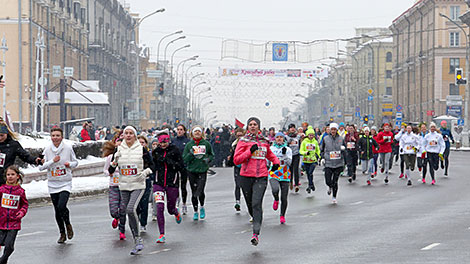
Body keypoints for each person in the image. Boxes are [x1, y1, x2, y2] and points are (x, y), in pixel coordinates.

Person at [108, 126, 154, 255]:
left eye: (131, 134)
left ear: (135, 136)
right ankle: (136, 240)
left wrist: (144, 173)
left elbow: (152, 166)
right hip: (123, 185)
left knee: (130, 209)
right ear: (123, 135)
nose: (128, 136)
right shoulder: (118, 149)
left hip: (138, 185)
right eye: (126, 133)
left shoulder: (141, 149)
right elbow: (111, 171)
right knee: (127, 212)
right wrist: (114, 161)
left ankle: (138, 239)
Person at [234, 117, 279, 246]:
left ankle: (256, 234)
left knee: (256, 203)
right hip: (246, 176)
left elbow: (269, 154)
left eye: (255, 125)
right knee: (250, 204)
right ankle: (255, 218)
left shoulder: (264, 142)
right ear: (247, 127)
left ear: (258, 127)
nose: (253, 126)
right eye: (250, 124)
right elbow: (236, 160)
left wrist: (275, 163)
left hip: (261, 176)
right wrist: (249, 151)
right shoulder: (243, 141)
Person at [39, 127, 78, 243]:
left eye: (57, 136)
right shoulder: (47, 150)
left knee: (62, 206)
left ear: (62, 137)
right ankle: (62, 233)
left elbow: (75, 162)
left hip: (65, 182)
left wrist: (69, 164)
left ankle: (68, 224)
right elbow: (41, 167)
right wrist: (52, 161)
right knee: (57, 210)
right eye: (53, 136)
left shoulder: (68, 148)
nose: (55, 138)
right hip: (52, 183)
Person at [152, 133, 184, 243]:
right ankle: (162, 234)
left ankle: (175, 212)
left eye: (165, 142)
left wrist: (170, 162)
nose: (163, 144)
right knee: (159, 207)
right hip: (158, 183)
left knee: (170, 209)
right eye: (161, 142)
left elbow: (181, 166)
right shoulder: (156, 152)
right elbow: (152, 165)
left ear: (168, 141)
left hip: (172, 183)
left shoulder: (175, 150)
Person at [183, 126, 214, 221]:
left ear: (202, 133)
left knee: (200, 190)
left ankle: (202, 207)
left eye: (199, 131)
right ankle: (195, 211)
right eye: (195, 131)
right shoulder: (189, 145)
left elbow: (211, 155)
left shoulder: (206, 144)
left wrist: (208, 159)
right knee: (194, 191)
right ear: (192, 133)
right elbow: (184, 158)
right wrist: (190, 154)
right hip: (192, 170)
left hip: (202, 170)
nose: (197, 133)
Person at [0, 166, 28, 264]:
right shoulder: (2, 189)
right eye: (8, 175)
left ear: (17, 176)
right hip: (1, 222)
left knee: (9, 247)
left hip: (14, 223)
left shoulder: (20, 192)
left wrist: (21, 212)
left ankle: (2, 260)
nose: (10, 177)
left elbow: (24, 204)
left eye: (12, 174)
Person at [0, 121, 42, 186]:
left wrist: (35, 160)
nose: (0, 138)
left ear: (7, 133)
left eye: (2, 135)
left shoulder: (13, 145)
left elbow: (25, 156)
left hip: (7, 180)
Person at [103, 138, 126, 239]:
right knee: (113, 209)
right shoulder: (110, 157)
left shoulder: (127, 157)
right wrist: (110, 173)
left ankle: (122, 230)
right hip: (113, 186)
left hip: (124, 186)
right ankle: (116, 218)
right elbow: (105, 170)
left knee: (123, 209)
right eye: (118, 144)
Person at [268, 132, 292, 224]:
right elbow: (267, 160)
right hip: (273, 172)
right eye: (277, 137)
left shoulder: (288, 149)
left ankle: (282, 215)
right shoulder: (271, 148)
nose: (279, 139)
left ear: (283, 139)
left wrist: (285, 155)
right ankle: (276, 199)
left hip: (284, 173)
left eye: (280, 137)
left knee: (284, 197)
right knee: (275, 189)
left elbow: (290, 163)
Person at [320, 123, 345, 204]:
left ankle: (334, 196)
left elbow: (345, 150)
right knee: (328, 180)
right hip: (328, 162)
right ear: (330, 130)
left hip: (338, 163)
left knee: (335, 181)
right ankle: (330, 186)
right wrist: (322, 158)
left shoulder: (341, 139)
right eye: (332, 129)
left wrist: (343, 149)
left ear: (337, 130)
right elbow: (322, 150)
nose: (333, 131)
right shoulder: (325, 138)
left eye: (335, 129)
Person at [136, 135, 153, 233]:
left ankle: (143, 223)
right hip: (135, 181)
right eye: (139, 142)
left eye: (143, 142)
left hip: (145, 180)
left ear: (146, 144)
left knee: (144, 202)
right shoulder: (133, 153)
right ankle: (137, 216)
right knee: (136, 203)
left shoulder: (147, 154)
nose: (141, 144)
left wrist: (148, 174)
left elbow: (152, 166)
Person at [172, 125, 190, 215]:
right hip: (174, 166)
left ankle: (184, 203)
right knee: (175, 185)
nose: (179, 131)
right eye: (178, 130)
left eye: (181, 130)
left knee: (183, 186)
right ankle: (177, 200)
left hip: (184, 166)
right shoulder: (173, 141)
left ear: (184, 131)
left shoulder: (187, 142)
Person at [299, 126, 320, 193]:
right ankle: (311, 184)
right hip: (306, 160)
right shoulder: (304, 142)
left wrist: (319, 156)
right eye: (310, 135)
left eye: (312, 135)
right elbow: (301, 151)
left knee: (310, 173)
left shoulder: (315, 142)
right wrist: (305, 152)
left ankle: (309, 186)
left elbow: (318, 150)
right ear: (307, 135)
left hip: (313, 160)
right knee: (308, 174)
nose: (311, 136)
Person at [228, 128, 245, 212]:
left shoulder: (247, 143)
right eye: (238, 135)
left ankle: (248, 202)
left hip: (246, 167)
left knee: (246, 186)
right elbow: (232, 155)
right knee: (238, 185)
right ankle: (237, 202)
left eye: (241, 135)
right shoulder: (234, 144)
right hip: (237, 166)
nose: (239, 136)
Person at [286, 124, 302, 192]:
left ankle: (297, 184)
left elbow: (300, 144)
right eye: (291, 128)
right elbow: (285, 145)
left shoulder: (298, 137)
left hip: (296, 155)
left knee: (296, 169)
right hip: (289, 155)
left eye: (293, 128)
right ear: (289, 129)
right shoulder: (286, 137)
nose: (292, 129)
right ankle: (290, 182)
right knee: (290, 170)